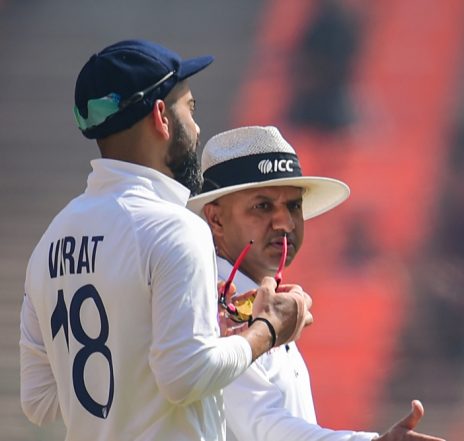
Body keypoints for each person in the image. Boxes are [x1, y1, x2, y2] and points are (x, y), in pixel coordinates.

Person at [20, 40, 311, 441]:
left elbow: (39, 401)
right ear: (161, 117)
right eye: (189, 109)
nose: (196, 127)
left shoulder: (51, 241)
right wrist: (268, 329)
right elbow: (185, 377)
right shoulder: (176, 227)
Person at [187, 125, 445, 441]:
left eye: (294, 206)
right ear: (216, 219)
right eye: (262, 206)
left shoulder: (243, 296)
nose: (285, 222)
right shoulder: (210, 301)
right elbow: (263, 428)